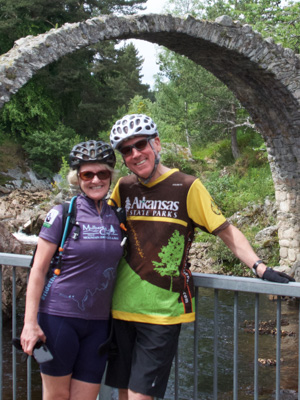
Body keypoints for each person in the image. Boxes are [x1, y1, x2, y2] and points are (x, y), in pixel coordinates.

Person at [105, 114, 294, 400]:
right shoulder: (123, 188)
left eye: (140, 144)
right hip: (119, 308)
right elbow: (99, 229)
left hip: (162, 313)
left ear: (156, 143)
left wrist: (259, 267)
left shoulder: (187, 186)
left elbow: (226, 231)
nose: (134, 154)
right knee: (123, 394)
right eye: (126, 150)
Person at [20, 140, 124, 400]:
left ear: (111, 177)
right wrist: (29, 324)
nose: (96, 180)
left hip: (99, 326)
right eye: (87, 174)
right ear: (77, 179)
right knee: (56, 397)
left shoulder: (118, 217)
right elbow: (38, 270)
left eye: (103, 174)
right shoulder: (63, 214)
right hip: (57, 320)